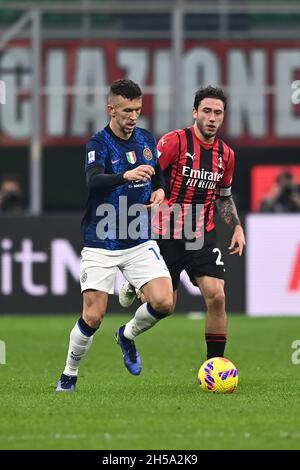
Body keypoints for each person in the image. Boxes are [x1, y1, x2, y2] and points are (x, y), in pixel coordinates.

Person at [56, 79, 173, 392]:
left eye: (137, 109)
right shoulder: (98, 144)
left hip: (139, 238)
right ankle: (69, 374)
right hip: (101, 241)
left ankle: (127, 335)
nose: (133, 116)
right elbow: (93, 182)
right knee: (93, 317)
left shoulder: (147, 139)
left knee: (165, 302)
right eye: (126, 110)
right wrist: (127, 175)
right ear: (111, 109)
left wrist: (160, 190)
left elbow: (159, 174)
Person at [119, 85, 246, 361]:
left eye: (218, 113)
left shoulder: (227, 155)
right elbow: (149, 176)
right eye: (207, 111)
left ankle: (215, 365)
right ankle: (136, 283)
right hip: (164, 232)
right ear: (195, 112)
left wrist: (236, 225)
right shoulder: (175, 141)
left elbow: (223, 197)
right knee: (165, 306)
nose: (212, 118)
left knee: (217, 295)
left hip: (200, 234)